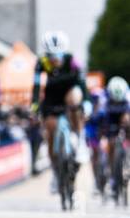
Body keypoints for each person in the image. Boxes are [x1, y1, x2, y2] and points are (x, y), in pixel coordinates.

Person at [32, 31, 88, 194]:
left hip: (70, 94)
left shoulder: (72, 61)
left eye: (57, 56)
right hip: (51, 98)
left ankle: (79, 140)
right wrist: (34, 105)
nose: (54, 60)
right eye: (50, 56)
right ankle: (56, 174)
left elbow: (82, 84)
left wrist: (87, 102)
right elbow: (35, 87)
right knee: (50, 129)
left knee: (75, 99)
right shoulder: (41, 62)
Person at [87, 75, 130, 195]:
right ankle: (110, 173)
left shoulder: (127, 97)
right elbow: (97, 119)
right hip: (108, 123)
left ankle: (126, 159)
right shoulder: (103, 98)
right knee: (109, 145)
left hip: (122, 121)